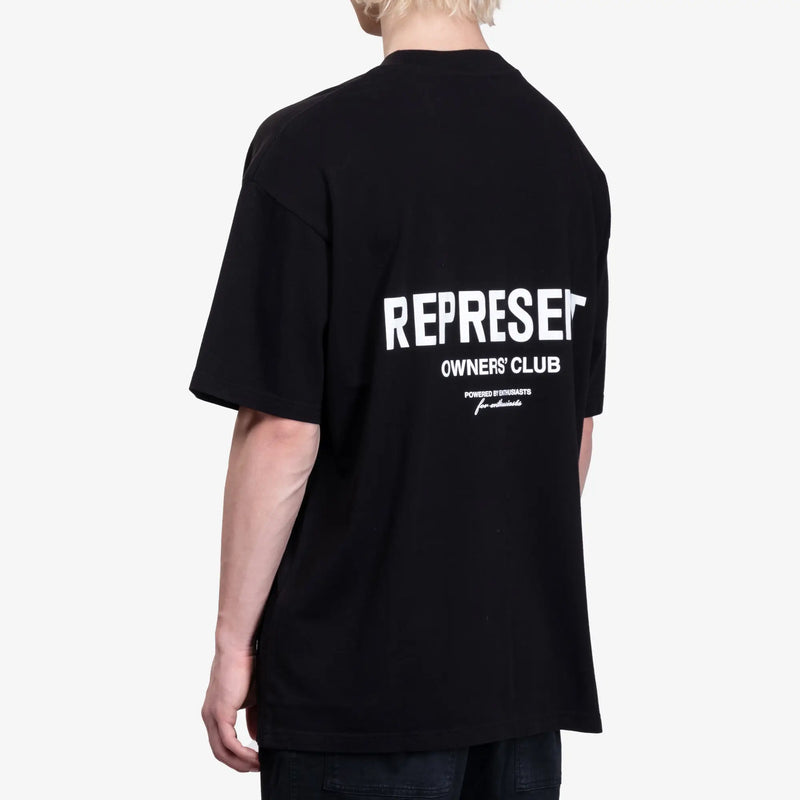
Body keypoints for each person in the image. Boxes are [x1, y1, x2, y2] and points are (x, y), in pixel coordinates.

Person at [188, 0, 611, 797]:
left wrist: (232, 646)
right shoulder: (565, 155)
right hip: (519, 681)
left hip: (357, 687)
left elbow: (282, 428)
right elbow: (572, 430)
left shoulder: (309, 149)